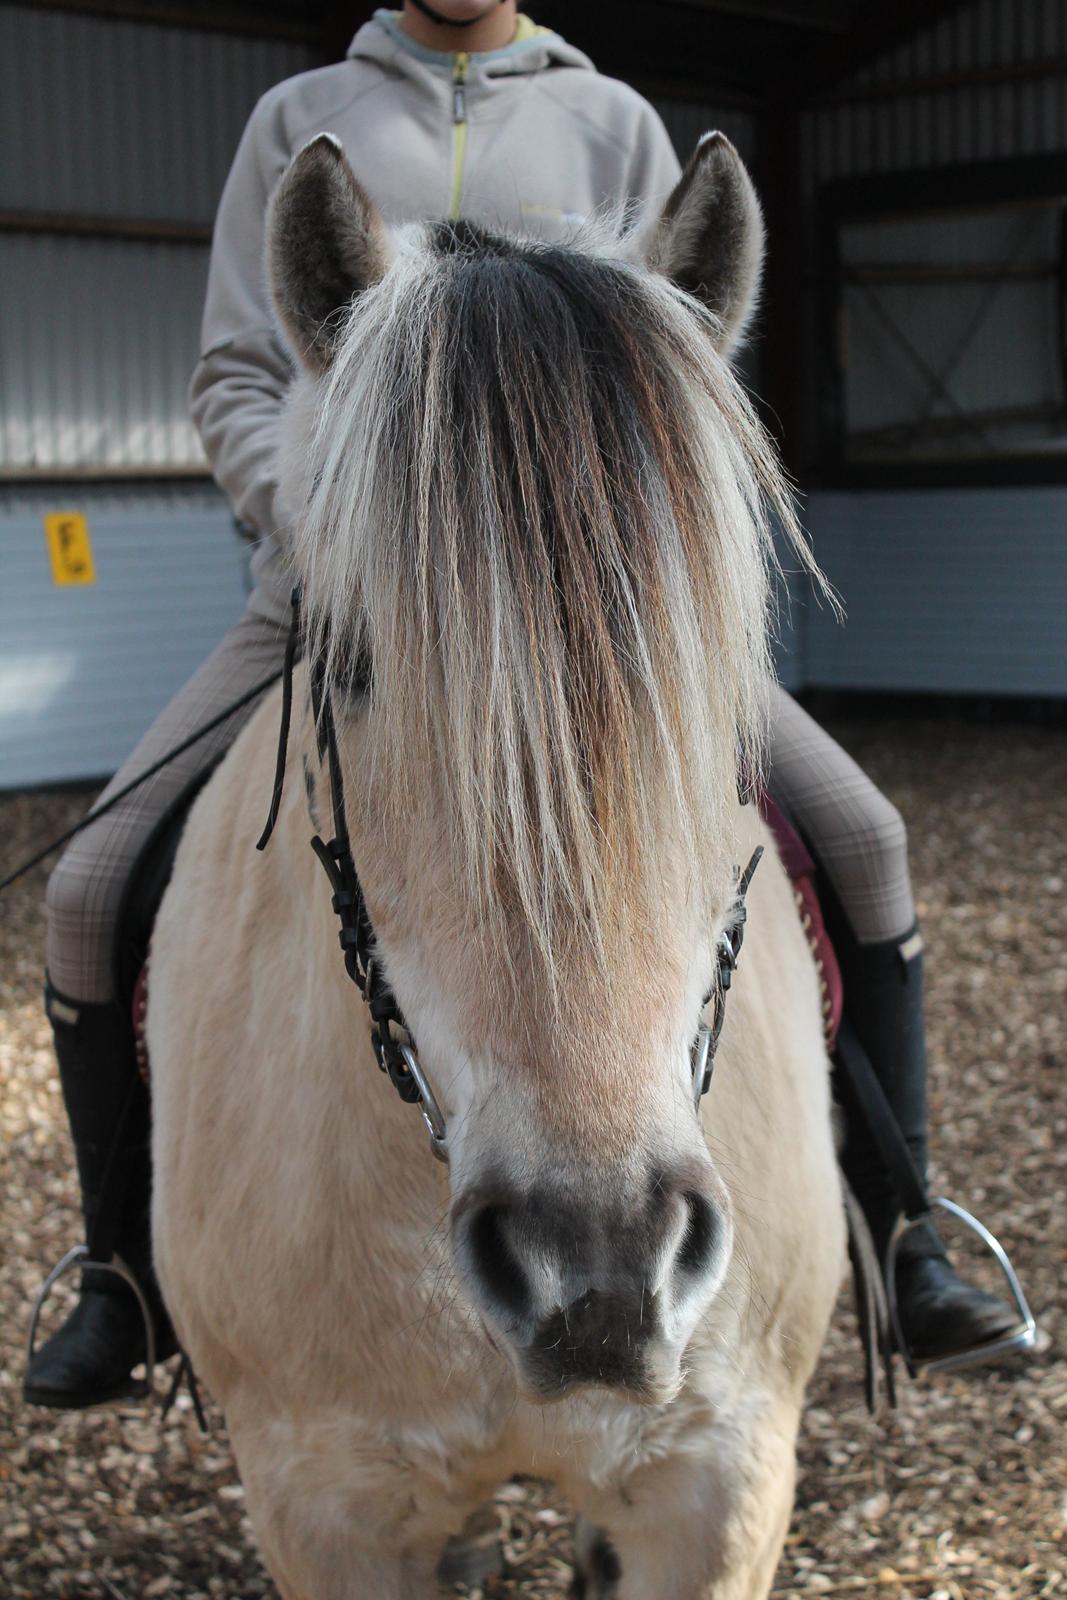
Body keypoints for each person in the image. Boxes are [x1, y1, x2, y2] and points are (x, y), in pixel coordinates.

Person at [24, 0, 1020, 1411]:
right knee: (88, 886)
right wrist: (335, 521)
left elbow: (676, 366)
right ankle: (122, 1280)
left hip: (589, 621)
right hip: (348, 588)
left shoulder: (609, 122)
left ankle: (913, 1237)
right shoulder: (296, 120)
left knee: (864, 841)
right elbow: (240, 372)